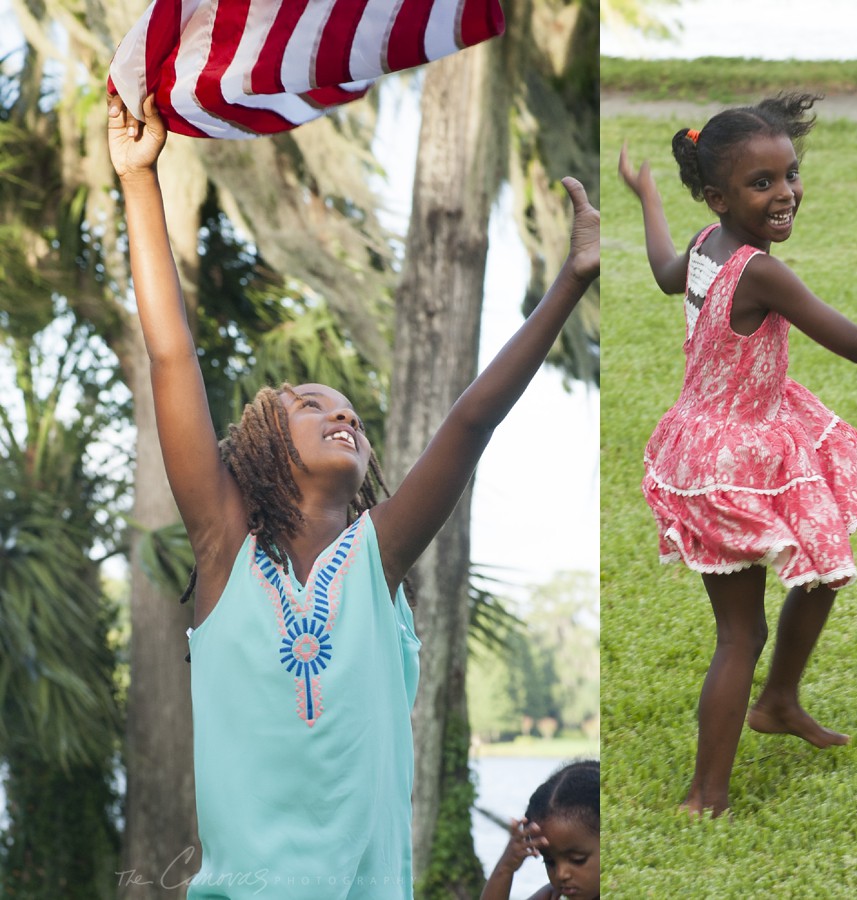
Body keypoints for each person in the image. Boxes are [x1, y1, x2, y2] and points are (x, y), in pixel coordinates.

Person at [108, 94, 598, 899]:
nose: (340, 412)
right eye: (311, 404)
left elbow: (472, 419)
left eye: (350, 411)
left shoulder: (378, 560)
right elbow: (171, 357)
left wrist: (572, 281)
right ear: (263, 446)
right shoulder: (225, 553)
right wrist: (138, 181)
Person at [617, 93, 857, 818]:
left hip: (722, 434)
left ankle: (781, 699)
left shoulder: (706, 243)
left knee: (824, 564)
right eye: (763, 184)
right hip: (736, 451)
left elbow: (665, 268)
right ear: (719, 196)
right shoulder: (762, 272)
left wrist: (645, 196)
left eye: (790, 173)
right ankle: (705, 796)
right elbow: (855, 345)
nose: (786, 193)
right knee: (742, 632)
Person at [481, 760, 600, 900]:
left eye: (577, 860)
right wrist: (505, 869)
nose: (561, 874)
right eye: (550, 862)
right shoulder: (552, 896)